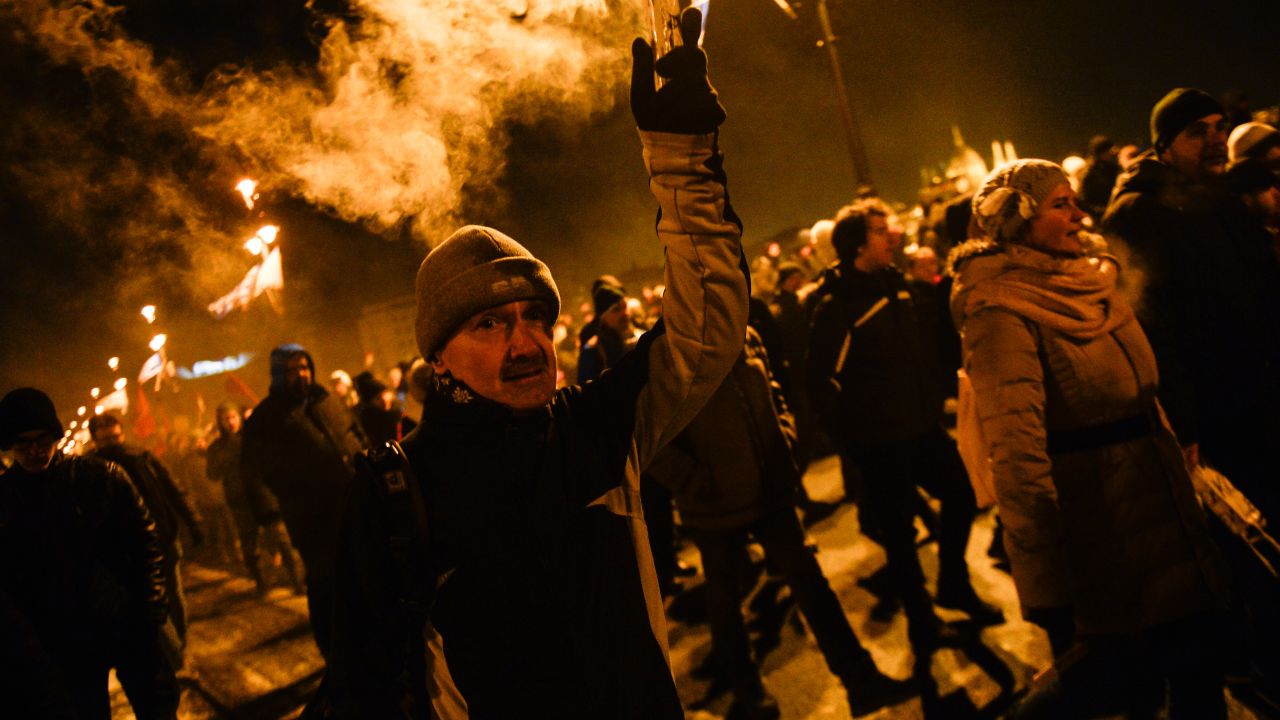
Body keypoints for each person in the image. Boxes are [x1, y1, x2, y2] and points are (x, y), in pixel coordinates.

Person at [330, 10, 747, 717]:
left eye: (535, 319)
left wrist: (681, 160)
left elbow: (705, 326)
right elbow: (365, 683)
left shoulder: (598, 427)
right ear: (439, 358)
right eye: (489, 324)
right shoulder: (396, 496)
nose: (524, 344)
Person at [952, 159, 1233, 717]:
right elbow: (1017, 457)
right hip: (1105, 538)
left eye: (1074, 200)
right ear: (1016, 222)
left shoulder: (1092, 281)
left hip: (1164, 510)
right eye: (1060, 204)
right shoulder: (1000, 312)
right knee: (1128, 687)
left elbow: (1143, 394)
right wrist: (1048, 586)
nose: (1080, 213)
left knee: (1200, 674)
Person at [649, 328, 915, 719]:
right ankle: (749, 693)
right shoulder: (663, 349)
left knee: (811, 585)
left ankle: (860, 680)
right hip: (715, 506)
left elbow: (772, 388)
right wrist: (695, 480)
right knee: (725, 601)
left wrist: (785, 436)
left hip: (769, 491)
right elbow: (652, 436)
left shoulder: (741, 328)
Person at [807, 200, 999, 665]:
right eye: (880, 231)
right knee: (901, 541)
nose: (892, 236)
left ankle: (953, 585)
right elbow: (820, 385)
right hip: (880, 445)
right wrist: (857, 442)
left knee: (961, 495)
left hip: (921, 428)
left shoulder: (899, 288)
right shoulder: (837, 307)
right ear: (856, 244)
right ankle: (923, 625)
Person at [1103, 88, 1280, 525]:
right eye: (1197, 132)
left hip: (1262, 389)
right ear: (1165, 146)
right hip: (1217, 409)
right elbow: (1152, 326)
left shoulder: (1216, 196)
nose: (1216, 140)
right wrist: (1183, 422)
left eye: (1220, 128)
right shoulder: (1137, 213)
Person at [0, 388, 176, 719]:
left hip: (126, 618)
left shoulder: (100, 476)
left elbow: (146, 540)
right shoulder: (6, 502)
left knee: (158, 708)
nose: (35, 450)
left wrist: (151, 608)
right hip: (64, 638)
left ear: (55, 435)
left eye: (42, 438)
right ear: (9, 445)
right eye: (23, 442)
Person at [240, 344, 367, 659]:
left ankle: (367, 641)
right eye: (292, 370)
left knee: (362, 574)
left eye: (305, 367)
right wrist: (270, 517)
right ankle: (334, 650)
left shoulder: (327, 401)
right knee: (326, 581)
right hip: (310, 515)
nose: (301, 375)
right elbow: (254, 473)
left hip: (353, 503)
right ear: (279, 375)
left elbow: (356, 436)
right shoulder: (266, 418)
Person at [89, 412, 202, 646]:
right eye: (106, 440)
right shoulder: (89, 470)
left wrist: (194, 521)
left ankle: (180, 645)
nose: (113, 444)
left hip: (162, 538)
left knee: (172, 593)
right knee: (145, 602)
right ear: (95, 442)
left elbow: (173, 490)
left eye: (116, 438)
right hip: (124, 549)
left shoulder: (143, 457)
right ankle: (168, 648)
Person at [206, 402, 302, 595]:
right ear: (220, 422)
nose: (231, 422)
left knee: (281, 539)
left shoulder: (254, 437)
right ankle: (261, 582)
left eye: (233, 417)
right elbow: (213, 474)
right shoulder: (217, 447)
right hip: (240, 501)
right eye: (226, 419)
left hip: (263, 495)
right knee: (250, 545)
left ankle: (297, 581)